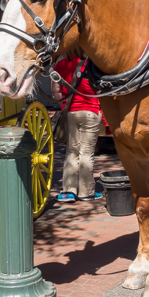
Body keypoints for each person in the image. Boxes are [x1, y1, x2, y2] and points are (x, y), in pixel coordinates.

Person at [51, 55, 103, 203]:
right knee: (86, 152)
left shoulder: (62, 63)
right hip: (91, 112)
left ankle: (68, 191)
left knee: (71, 151)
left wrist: (63, 106)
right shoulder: (93, 63)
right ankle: (86, 192)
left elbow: (55, 89)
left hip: (71, 112)